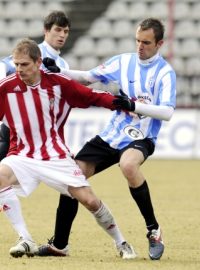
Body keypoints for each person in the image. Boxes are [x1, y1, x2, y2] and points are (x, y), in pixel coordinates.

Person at [41, 17, 176, 260]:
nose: (140, 46)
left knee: (128, 164)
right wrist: (59, 71)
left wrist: (134, 105)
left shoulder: (165, 73)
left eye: (146, 42)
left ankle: (153, 231)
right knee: (71, 177)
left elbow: (167, 112)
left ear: (159, 44)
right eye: (137, 40)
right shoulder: (123, 62)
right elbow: (87, 76)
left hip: (142, 135)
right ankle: (60, 245)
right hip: (112, 134)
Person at [0, 38, 138, 259]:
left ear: (37, 62)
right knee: (0, 177)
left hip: (55, 155)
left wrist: (119, 104)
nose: (19, 69)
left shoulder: (57, 83)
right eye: (16, 64)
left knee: (90, 200)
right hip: (22, 154)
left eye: (24, 64)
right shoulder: (5, 88)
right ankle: (25, 238)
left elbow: (91, 96)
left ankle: (122, 243)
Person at [0, 10, 79, 256]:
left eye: (65, 31)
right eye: (57, 30)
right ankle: (28, 238)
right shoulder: (32, 54)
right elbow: (5, 67)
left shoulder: (62, 65)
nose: (62, 35)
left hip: (44, 138)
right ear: (46, 31)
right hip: (16, 133)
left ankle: (57, 242)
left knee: (73, 187)